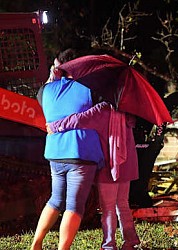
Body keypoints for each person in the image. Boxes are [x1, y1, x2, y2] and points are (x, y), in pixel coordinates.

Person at [31, 49, 104, 250]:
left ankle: (36, 243)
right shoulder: (89, 89)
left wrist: (52, 75)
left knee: (55, 199)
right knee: (74, 205)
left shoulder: (45, 91)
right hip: (80, 152)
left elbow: (43, 94)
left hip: (55, 153)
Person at [47, 101, 141, 250]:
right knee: (123, 204)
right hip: (127, 164)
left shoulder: (101, 110)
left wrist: (54, 126)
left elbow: (78, 119)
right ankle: (130, 242)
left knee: (108, 208)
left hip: (110, 164)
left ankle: (109, 245)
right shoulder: (128, 111)